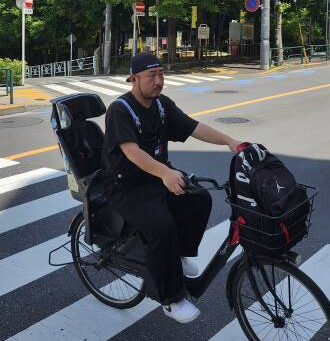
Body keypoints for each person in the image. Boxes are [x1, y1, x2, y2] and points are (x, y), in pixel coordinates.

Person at [102, 52, 242, 324]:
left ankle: (181, 254)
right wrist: (165, 172)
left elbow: (193, 127)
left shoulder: (162, 105)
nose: (158, 81)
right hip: (126, 186)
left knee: (199, 199)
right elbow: (131, 152)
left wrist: (229, 140)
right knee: (162, 226)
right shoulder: (120, 110)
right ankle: (171, 299)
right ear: (134, 79)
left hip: (156, 177)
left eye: (161, 74)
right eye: (151, 76)